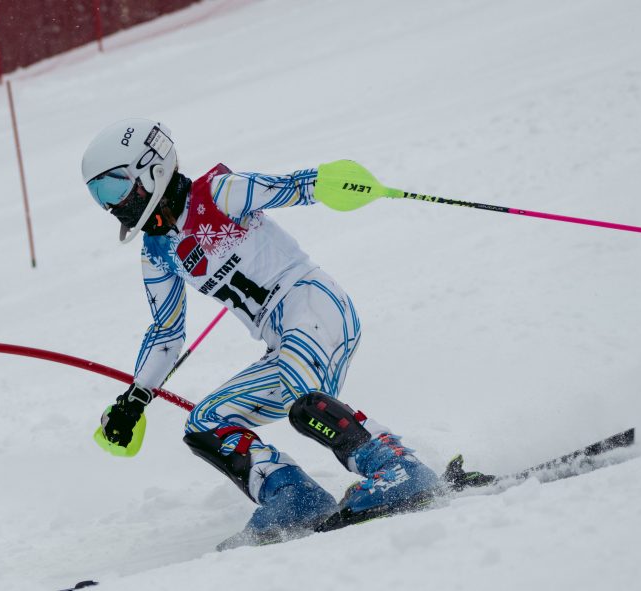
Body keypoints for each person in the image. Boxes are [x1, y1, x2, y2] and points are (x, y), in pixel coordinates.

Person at [81, 118, 443, 547]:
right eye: (99, 195)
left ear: (151, 168)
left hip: (314, 307)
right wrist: (134, 399)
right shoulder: (157, 252)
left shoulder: (219, 194)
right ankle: (293, 496)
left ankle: (396, 466)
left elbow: (295, 186)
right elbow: (165, 333)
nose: (111, 205)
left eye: (114, 188)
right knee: (206, 422)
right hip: (280, 341)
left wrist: (336, 182)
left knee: (302, 396)